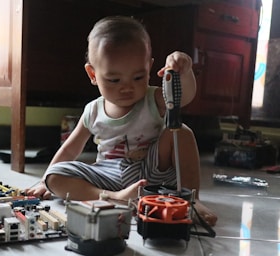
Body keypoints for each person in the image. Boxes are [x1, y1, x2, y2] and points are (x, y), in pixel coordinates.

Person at [26, 16, 217, 226]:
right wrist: (45, 181)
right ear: (93, 74)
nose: (127, 87)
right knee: (55, 175)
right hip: (108, 174)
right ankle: (112, 197)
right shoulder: (93, 111)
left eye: (138, 77)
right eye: (114, 80)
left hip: (152, 169)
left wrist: (185, 71)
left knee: (180, 131)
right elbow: (70, 150)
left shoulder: (154, 99)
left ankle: (192, 199)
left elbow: (185, 97)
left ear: (149, 67)